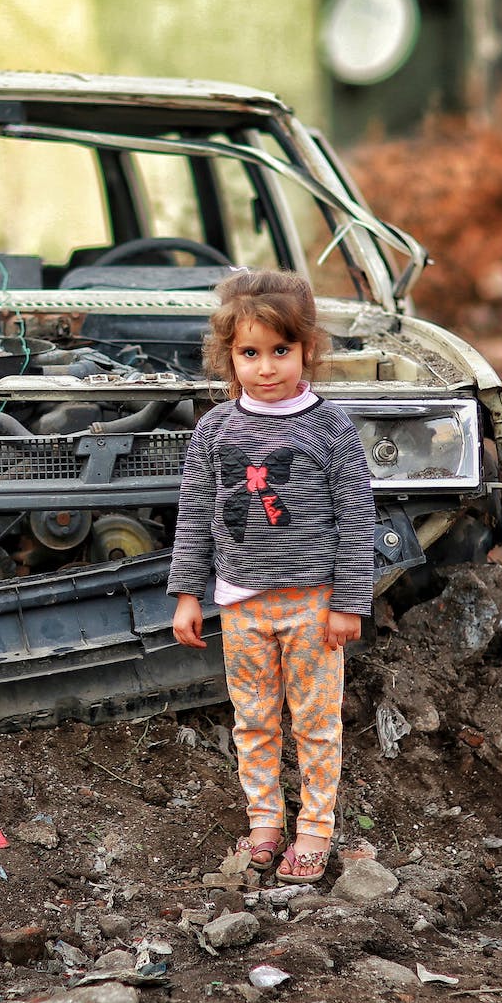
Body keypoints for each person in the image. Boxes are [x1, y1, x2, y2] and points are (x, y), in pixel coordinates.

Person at [168, 269, 375, 883]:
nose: (266, 367)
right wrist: (187, 594)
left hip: (313, 603)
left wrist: (350, 601)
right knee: (252, 718)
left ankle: (314, 829)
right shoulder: (213, 431)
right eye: (250, 353)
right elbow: (194, 516)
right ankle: (264, 822)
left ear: (306, 349)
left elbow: (358, 517)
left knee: (314, 720)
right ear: (229, 357)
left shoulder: (329, 428)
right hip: (240, 606)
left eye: (280, 351)